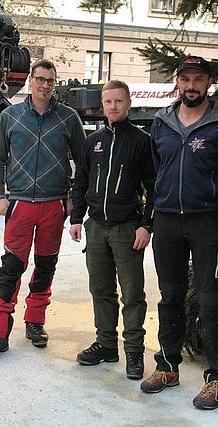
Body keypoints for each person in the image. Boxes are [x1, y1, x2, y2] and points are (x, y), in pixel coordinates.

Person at [143, 56, 218, 410]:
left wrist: (210, 193)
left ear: (208, 84)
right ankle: (167, 366)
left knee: (210, 299)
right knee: (169, 296)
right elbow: (158, 169)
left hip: (208, 222)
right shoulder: (161, 122)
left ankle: (216, 378)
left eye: (198, 79)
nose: (191, 85)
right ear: (177, 82)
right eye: (186, 79)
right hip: (168, 220)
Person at [0, 59, 86, 360]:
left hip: (53, 206)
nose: (45, 85)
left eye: (50, 80)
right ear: (30, 82)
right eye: (40, 79)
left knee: (46, 267)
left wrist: (72, 198)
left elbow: (84, 160)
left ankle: (35, 322)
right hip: (20, 205)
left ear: (55, 83)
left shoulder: (68, 118)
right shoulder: (11, 116)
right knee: (11, 267)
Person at [69, 79, 155, 380]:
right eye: (108, 102)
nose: (113, 107)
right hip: (96, 229)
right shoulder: (93, 141)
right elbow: (80, 182)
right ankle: (106, 344)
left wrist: (146, 225)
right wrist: (76, 218)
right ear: (102, 105)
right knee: (101, 290)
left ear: (128, 103)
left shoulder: (142, 142)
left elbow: (153, 188)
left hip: (127, 229)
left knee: (132, 294)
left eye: (118, 101)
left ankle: (134, 352)